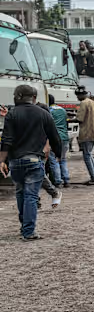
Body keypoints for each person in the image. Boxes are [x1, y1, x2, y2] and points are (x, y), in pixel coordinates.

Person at [0, 85, 62, 240]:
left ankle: (24, 227)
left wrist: (2, 160)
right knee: (31, 196)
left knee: (20, 193)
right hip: (35, 161)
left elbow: (6, 140)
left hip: (16, 162)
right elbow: (55, 137)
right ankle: (28, 231)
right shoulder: (43, 114)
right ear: (34, 98)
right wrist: (58, 155)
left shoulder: (12, 114)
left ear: (17, 97)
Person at [72, 86, 94, 185]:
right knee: (89, 154)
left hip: (86, 133)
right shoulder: (93, 102)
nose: (77, 98)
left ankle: (93, 178)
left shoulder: (83, 103)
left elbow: (80, 119)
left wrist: (69, 119)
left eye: (77, 96)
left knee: (87, 156)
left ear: (81, 95)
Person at [48, 95, 70, 188]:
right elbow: (67, 121)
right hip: (65, 137)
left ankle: (57, 181)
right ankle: (66, 179)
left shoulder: (48, 111)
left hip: (54, 138)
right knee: (63, 159)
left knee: (54, 160)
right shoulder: (62, 110)